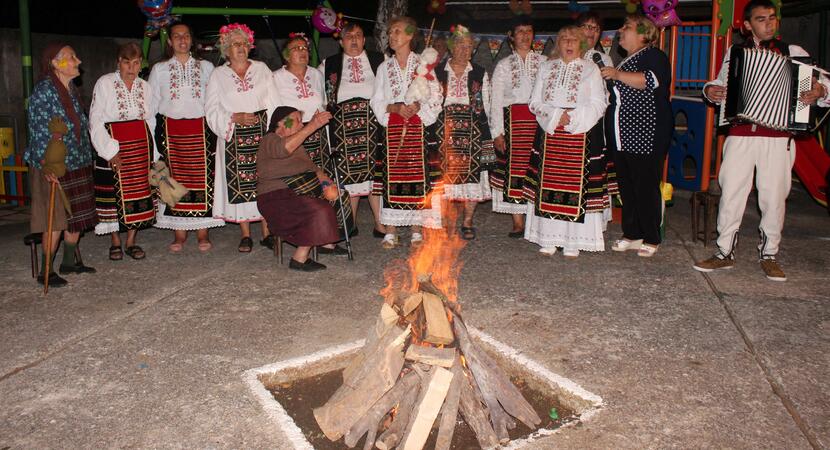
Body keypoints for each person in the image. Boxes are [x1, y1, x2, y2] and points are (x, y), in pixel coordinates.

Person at [693, 0, 830, 280]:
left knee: (773, 197)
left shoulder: (794, 53)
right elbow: (719, 83)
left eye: (772, 18)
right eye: (761, 19)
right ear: (747, 25)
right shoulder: (736, 52)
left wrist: (818, 91)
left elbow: (825, 86)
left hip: (778, 137)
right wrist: (712, 92)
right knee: (731, 192)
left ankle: (769, 254)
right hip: (741, 133)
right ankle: (724, 252)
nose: (769, 23)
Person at [524, 25, 608, 257]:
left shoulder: (591, 69)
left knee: (575, 186)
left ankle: (573, 240)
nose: (569, 44)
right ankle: (549, 238)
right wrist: (555, 115)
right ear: (558, 44)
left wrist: (572, 118)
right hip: (551, 133)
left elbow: (599, 103)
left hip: (580, 134)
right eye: (564, 40)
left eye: (574, 40)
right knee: (550, 184)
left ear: (581, 44)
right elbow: (535, 102)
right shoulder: (546, 67)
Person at [24, 43, 97, 286]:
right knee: (54, 220)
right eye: (71, 58)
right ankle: (46, 270)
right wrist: (45, 166)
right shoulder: (44, 91)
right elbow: (37, 131)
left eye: (75, 56)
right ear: (55, 64)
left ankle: (68, 261)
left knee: (76, 217)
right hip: (55, 166)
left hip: (78, 162)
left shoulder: (71, 89)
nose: (78, 61)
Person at [600, 14, 673, 258]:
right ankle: (632, 233)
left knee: (645, 185)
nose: (620, 30)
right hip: (623, 135)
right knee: (627, 186)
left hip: (646, 133)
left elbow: (651, 81)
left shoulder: (653, 55)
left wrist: (617, 76)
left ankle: (651, 236)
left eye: (627, 27)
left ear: (644, 34)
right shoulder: (626, 60)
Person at [148, 22, 224, 253]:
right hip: (170, 132)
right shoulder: (159, 69)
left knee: (202, 179)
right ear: (170, 41)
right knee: (173, 178)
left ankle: (203, 231)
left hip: (200, 131)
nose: (182, 39)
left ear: (192, 40)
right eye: (177, 36)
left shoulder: (207, 67)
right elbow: (151, 107)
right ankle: (179, 233)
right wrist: (153, 143)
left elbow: (214, 102)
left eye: (186, 35)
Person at [370, 16, 444, 249]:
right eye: (390, 32)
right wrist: (394, 108)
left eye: (398, 31)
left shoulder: (423, 64)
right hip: (393, 127)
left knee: (418, 176)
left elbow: (436, 94)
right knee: (393, 176)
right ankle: (391, 231)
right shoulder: (384, 67)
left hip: (417, 126)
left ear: (411, 35)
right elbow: (377, 100)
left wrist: (418, 107)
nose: (392, 36)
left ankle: (416, 230)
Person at [274, 32, 349, 256]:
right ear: (287, 55)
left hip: (318, 136)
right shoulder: (276, 77)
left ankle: (326, 240)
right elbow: (275, 113)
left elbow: (325, 103)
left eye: (305, 48)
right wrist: (296, 128)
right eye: (296, 48)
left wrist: (319, 125)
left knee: (323, 186)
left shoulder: (317, 74)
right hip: (294, 139)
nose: (302, 52)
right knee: (303, 190)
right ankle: (307, 238)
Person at [205, 23, 277, 253]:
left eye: (244, 43)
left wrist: (271, 129)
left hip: (261, 133)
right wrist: (233, 117)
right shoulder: (218, 75)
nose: (241, 47)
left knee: (264, 181)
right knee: (239, 184)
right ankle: (245, 234)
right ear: (226, 48)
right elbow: (211, 109)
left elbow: (274, 100)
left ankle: (267, 232)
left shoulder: (262, 69)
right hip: (234, 135)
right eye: (235, 44)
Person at [90, 42, 157, 261]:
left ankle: (131, 241)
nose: (131, 67)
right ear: (119, 62)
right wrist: (109, 151)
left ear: (141, 65)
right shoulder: (105, 83)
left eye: (136, 63)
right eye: (127, 62)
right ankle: (115, 241)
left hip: (140, 146)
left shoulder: (145, 87)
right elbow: (96, 120)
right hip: (114, 143)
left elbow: (151, 121)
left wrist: (153, 154)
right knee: (112, 195)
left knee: (138, 193)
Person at [320, 22, 387, 239]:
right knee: (349, 175)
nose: (355, 40)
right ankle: (350, 222)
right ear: (341, 41)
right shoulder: (328, 64)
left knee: (374, 174)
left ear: (365, 40)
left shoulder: (380, 60)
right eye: (349, 36)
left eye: (358, 35)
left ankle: (380, 223)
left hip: (372, 124)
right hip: (343, 128)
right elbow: (320, 98)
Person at [257, 106, 339, 272]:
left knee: (337, 195)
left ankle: (326, 243)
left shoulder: (297, 145)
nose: (301, 125)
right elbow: (282, 150)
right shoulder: (270, 139)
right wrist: (313, 125)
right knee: (317, 208)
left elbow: (312, 168)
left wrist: (326, 180)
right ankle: (299, 258)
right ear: (282, 122)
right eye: (297, 121)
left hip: (297, 192)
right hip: (275, 196)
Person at [435, 24, 493, 240]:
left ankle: (467, 220)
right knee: (444, 177)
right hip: (445, 131)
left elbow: (485, 103)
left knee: (474, 178)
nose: (464, 50)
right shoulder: (438, 71)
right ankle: (444, 220)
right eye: (460, 45)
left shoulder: (479, 72)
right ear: (451, 47)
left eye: (469, 46)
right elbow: (431, 101)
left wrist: (492, 132)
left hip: (473, 132)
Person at [488, 15, 543, 237]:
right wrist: (498, 132)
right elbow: (496, 101)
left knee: (536, 168)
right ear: (512, 36)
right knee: (515, 169)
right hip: (513, 123)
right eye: (520, 31)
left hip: (538, 122)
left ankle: (535, 219)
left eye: (529, 31)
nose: (525, 36)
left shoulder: (544, 62)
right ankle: (518, 221)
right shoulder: (503, 65)